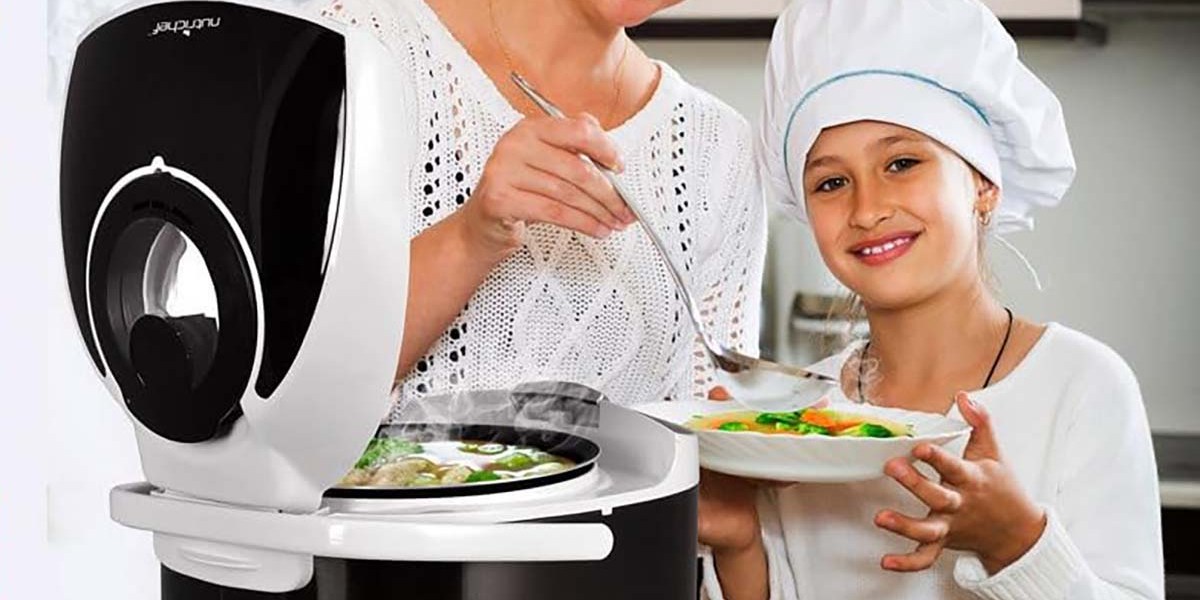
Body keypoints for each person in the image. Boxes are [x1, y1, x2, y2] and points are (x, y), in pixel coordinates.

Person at [697, 1, 1164, 598]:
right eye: (831, 183)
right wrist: (739, 546)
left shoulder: (1082, 386)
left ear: (983, 183)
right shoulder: (800, 422)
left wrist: (1016, 542)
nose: (867, 209)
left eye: (902, 162)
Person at [315, 0, 767, 410]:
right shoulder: (355, 46)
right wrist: (471, 236)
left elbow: (715, 469)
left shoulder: (717, 145)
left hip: (634, 507)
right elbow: (295, 397)